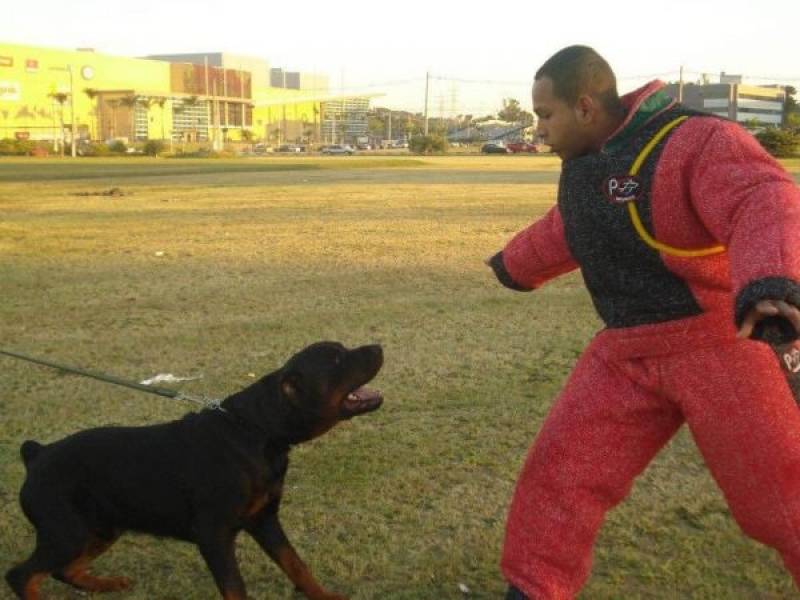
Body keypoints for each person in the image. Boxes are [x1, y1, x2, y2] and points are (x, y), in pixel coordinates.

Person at [487, 45, 800, 599]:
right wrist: (514, 265)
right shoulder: (588, 166)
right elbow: (573, 227)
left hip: (721, 343)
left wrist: (770, 281)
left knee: (779, 500)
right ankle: (533, 590)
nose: (538, 129)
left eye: (544, 114)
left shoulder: (695, 141)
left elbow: (761, 197)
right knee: (561, 473)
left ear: (584, 107)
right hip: (627, 349)